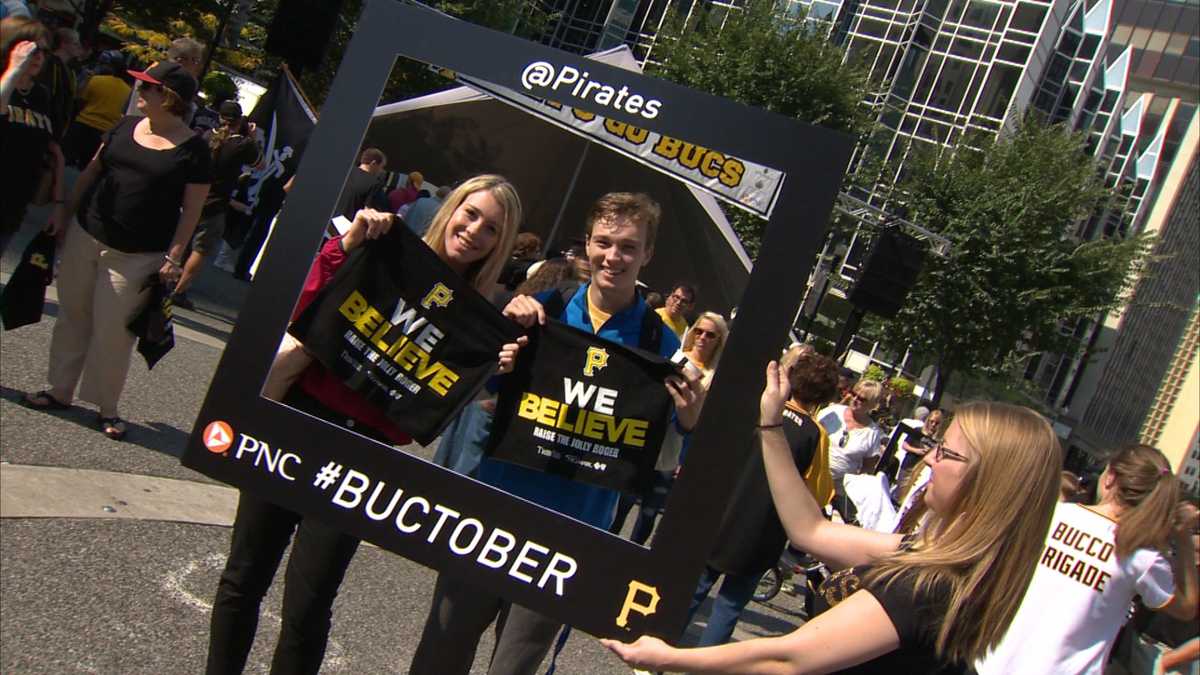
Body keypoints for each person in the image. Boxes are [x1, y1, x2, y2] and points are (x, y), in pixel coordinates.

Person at [205, 175, 525, 675]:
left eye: (491, 229)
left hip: (364, 457)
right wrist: (347, 246)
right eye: (471, 213)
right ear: (451, 208)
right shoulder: (386, 248)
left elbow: (428, 415)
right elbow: (302, 310)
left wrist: (493, 369)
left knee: (308, 608)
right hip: (297, 421)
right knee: (243, 578)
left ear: (499, 245)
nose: (474, 231)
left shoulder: (480, 317)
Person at [602, 361, 1064, 673]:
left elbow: (790, 659)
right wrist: (770, 424)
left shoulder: (931, 585)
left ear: (987, 483)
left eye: (947, 453)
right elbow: (811, 529)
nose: (930, 460)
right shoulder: (924, 556)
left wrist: (671, 657)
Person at [410, 192, 705, 675]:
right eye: (604, 242)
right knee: (440, 655)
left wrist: (688, 420)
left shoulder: (661, 344)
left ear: (648, 254)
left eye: (628, 246)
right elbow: (479, 395)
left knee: (513, 668)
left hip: (573, 535)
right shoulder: (541, 309)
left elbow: (664, 457)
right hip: (495, 506)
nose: (614, 256)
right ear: (587, 244)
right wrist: (499, 358)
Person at [21, 60, 210, 440]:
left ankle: (107, 407)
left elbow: (192, 211)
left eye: (148, 87)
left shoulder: (194, 150)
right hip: (86, 233)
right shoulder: (123, 126)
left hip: (139, 254)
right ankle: (59, 391)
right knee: (72, 315)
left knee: (114, 332)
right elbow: (91, 172)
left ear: (168, 97)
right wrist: (64, 213)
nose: (140, 92)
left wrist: (174, 257)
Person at [976, 445, 1199, 675]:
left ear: (1110, 478)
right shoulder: (1142, 558)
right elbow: (1187, 608)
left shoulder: (1053, 515)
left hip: (995, 661)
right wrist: (1183, 539)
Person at [685, 349, 839, 647]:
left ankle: (659, 647)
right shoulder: (815, 434)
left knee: (694, 589)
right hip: (763, 532)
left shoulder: (760, 408)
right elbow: (818, 493)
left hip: (723, 513)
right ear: (826, 396)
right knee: (729, 608)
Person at [609, 311, 731, 545]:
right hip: (646, 439)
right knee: (623, 501)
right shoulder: (674, 356)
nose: (703, 337)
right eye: (699, 331)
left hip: (675, 451)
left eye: (710, 334)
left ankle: (632, 555)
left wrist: (687, 459)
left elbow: (705, 423)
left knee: (649, 512)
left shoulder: (716, 377)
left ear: (719, 340)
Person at [171, 100, 261, 309]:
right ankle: (179, 291)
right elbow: (260, 163)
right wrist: (253, 139)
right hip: (216, 203)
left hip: (193, 196)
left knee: (182, 242)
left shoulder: (206, 136)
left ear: (219, 117)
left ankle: (167, 281)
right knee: (201, 249)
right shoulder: (243, 144)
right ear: (239, 121)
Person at [1, 16, 66, 256]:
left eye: (44, 51)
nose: (38, 56)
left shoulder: (42, 96)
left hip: (12, 208)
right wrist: (13, 71)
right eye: (31, 49)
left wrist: (59, 205)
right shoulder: (3, 84)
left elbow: (54, 151)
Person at [817, 378, 885, 520]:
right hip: (811, 477)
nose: (855, 399)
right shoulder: (832, 412)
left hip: (837, 493)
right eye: (854, 394)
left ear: (872, 405)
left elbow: (867, 470)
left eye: (862, 399)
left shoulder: (872, 434)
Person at [61, 48, 128, 168]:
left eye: (103, 64)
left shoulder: (94, 80)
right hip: (104, 134)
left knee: (65, 160)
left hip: (82, 126)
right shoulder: (128, 91)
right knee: (87, 166)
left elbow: (78, 100)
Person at [34, 26, 81, 140]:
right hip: (44, 124)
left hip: (57, 128)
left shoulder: (70, 71)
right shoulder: (50, 64)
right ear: (64, 44)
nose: (79, 47)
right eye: (75, 43)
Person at [333, 147, 388, 220]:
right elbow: (367, 211)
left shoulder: (346, 172)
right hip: (347, 225)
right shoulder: (374, 183)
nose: (381, 171)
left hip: (329, 219)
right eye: (381, 167)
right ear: (373, 163)